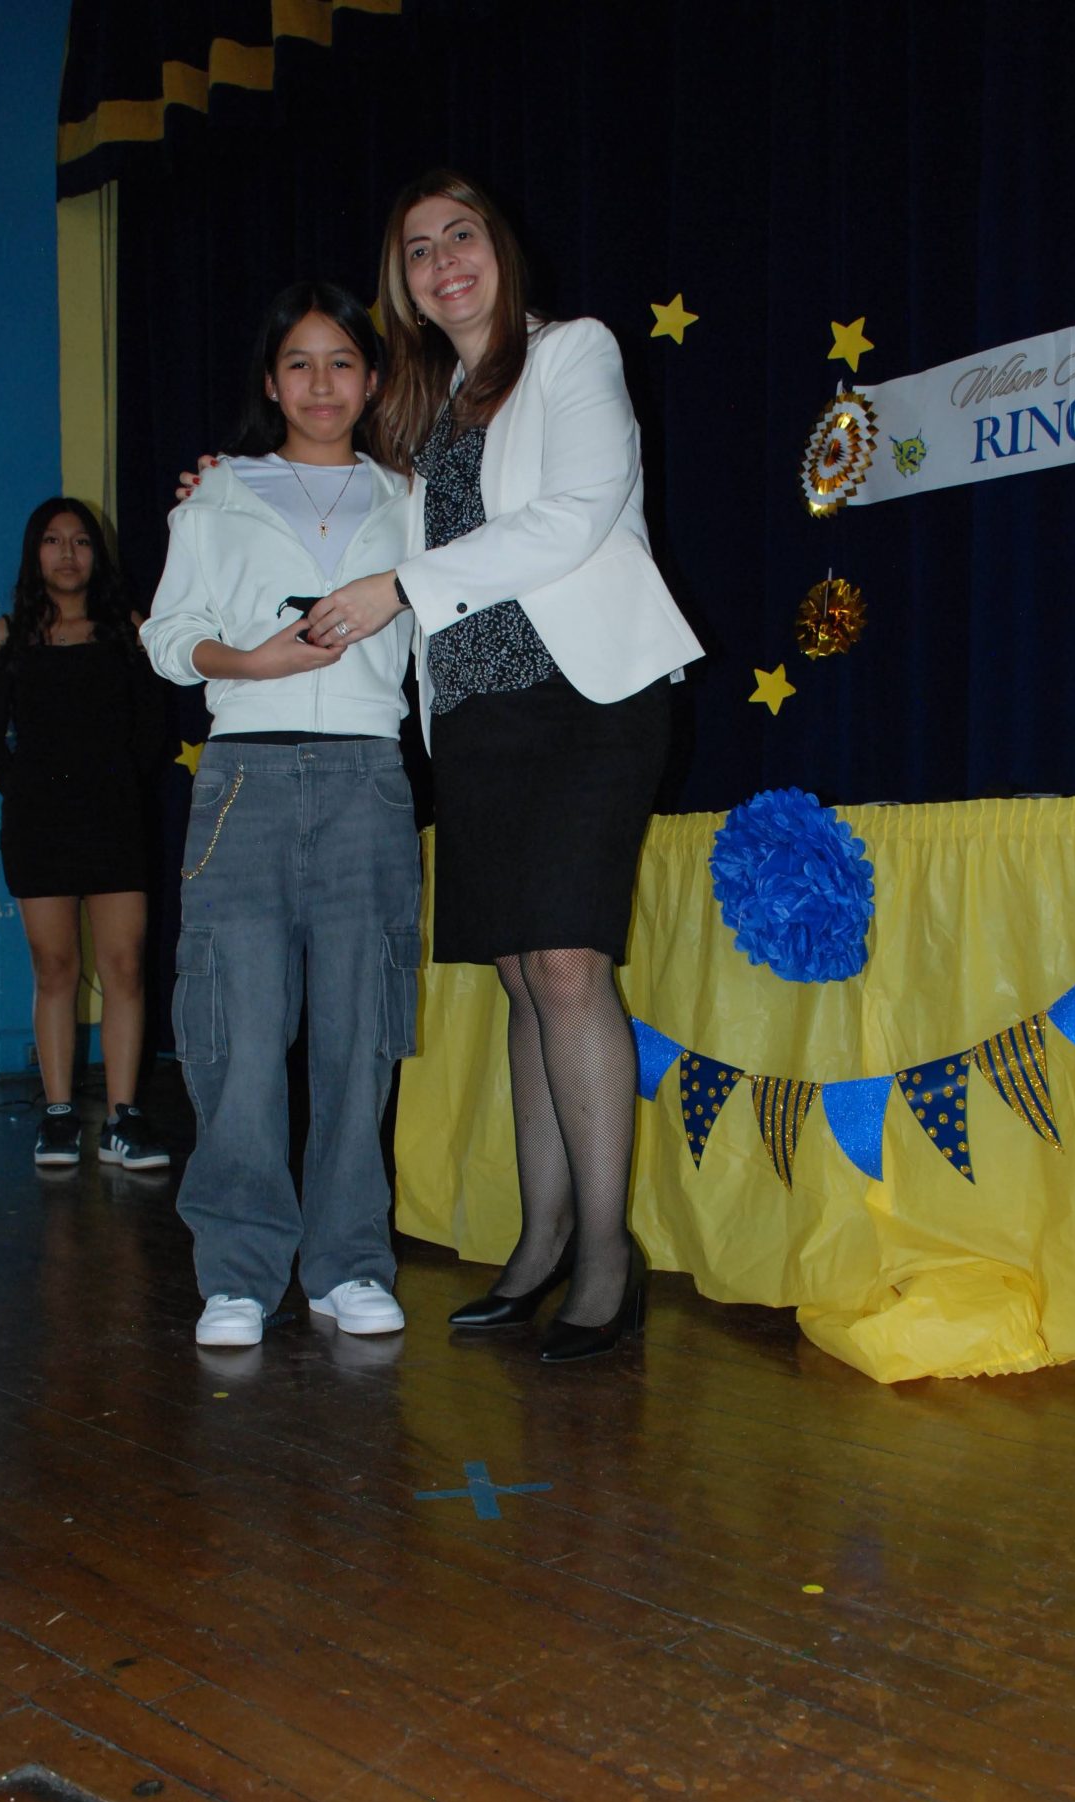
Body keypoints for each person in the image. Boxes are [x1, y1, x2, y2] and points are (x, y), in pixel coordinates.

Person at [300, 171, 704, 1362]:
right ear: (405, 285)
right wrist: (224, 490)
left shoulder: (574, 353)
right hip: (475, 719)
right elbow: (343, 510)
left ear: (499, 248)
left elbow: (574, 512)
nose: (443, 263)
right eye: (419, 251)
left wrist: (401, 585)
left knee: (569, 965)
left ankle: (606, 1258)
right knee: (526, 979)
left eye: (460, 236)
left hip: (584, 703)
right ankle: (539, 1243)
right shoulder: (421, 408)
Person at [142, 283, 418, 1350]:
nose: (320, 383)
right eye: (298, 363)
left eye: (341, 361)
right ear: (271, 381)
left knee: (361, 1033)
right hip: (243, 782)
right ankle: (238, 1272)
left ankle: (349, 1261)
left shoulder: (410, 498)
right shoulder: (218, 495)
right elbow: (170, 635)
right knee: (237, 1036)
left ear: (373, 380)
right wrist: (248, 662)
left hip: (368, 778)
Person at [0, 498, 169, 1171]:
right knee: (55, 969)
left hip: (114, 825)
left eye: (81, 541)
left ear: (96, 555)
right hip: (39, 829)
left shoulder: (128, 631)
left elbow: (152, 731)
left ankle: (123, 1119)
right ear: (35, 553)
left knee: (125, 966)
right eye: (53, 541)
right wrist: (34, 796)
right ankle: (58, 1115)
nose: (67, 553)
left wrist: (112, 792)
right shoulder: (5, 636)